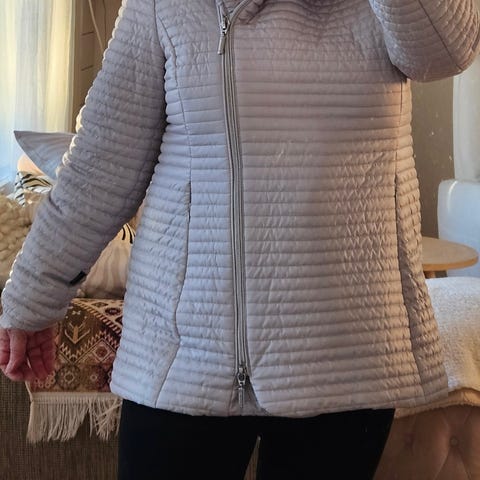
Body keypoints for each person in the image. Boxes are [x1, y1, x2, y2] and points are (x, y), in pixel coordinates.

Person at [1, 0, 479, 478]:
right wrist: (32, 295)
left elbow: (446, 50)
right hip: (183, 353)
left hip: (347, 353)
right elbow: (101, 163)